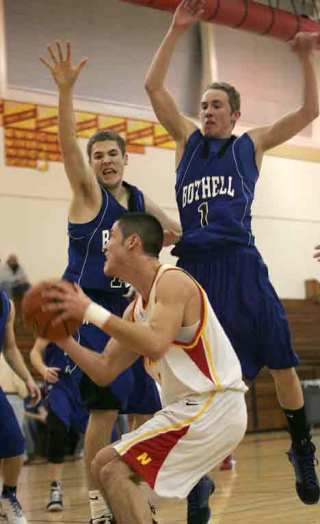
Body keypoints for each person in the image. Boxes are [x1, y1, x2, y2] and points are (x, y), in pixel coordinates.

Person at [144, 0, 320, 506]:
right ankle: (199, 473)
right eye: (202, 105)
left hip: (242, 265)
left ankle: (302, 449)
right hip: (195, 273)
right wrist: (176, 29)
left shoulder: (252, 145)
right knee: (202, 381)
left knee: (282, 362)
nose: (206, 111)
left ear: (234, 114)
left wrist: (306, 57)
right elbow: (154, 89)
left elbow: (309, 111)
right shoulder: (186, 142)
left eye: (215, 105)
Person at [40, 41, 178, 524]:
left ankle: (138, 503)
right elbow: (66, 148)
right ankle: (99, 508)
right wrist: (65, 93)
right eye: (97, 155)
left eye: (111, 154)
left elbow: (175, 232)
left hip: (133, 313)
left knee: (145, 415)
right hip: (90, 314)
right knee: (104, 415)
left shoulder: (139, 202)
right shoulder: (86, 195)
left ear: (124, 158)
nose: (104, 161)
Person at [42, 212, 248, 524]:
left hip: (213, 406)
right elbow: (104, 370)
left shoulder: (172, 282)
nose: (105, 247)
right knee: (102, 464)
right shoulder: (135, 309)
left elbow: (155, 343)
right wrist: (64, 341)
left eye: (111, 238)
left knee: (113, 469)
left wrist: (92, 312)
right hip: (188, 409)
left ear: (133, 242)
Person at [30, 337, 88, 512]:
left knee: (104, 436)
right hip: (59, 383)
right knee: (57, 430)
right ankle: (56, 488)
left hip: (86, 382)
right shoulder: (54, 320)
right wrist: (42, 368)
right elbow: (35, 351)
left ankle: (103, 490)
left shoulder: (93, 318)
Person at [0, 289, 40, 524]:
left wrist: (27, 378)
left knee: (15, 444)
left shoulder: (6, 303)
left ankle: (8, 496)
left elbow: (10, 347)